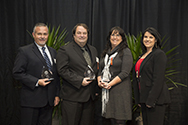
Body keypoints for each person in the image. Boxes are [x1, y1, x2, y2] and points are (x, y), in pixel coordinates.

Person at [13, 23, 60, 125]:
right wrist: (37, 82)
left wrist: (56, 95)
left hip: (49, 101)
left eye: (45, 34)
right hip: (31, 101)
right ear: (33, 35)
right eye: (39, 34)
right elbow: (17, 73)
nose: (42, 37)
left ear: (48, 35)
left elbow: (56, 75)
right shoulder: (24, 51)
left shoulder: (53, 52)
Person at [56, 23, 98, 125]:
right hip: (72, 97)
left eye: (84, 33)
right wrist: (80, 81)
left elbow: (95, 68)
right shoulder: (65, 49)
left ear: (88, 35)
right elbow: (62, 70)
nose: (82, 35)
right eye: (79, 33)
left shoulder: (93, 50)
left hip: (89, 97)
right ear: (74, 35)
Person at [132, 27, 171, 125]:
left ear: (155, 40)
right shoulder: (143, 55)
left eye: (151, 37)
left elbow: (158, 79)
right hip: (144, 99)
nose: (147, 39)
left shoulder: (159, 54)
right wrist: (140, 99)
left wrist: (151, 100)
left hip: (155, 101)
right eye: (145, 37)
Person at [97, 26, 133, 125]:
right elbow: (100, 70)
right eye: (113, 35)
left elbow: (125, 72)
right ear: (109, 37)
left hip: (120, 91)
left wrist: (110, 84)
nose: (115, 37)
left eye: (118, 35)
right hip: (107, 91)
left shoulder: (125, 51)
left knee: (119, 120)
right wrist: (99, 81)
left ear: (122, 38)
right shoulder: (106, 53)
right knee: (110, 119)